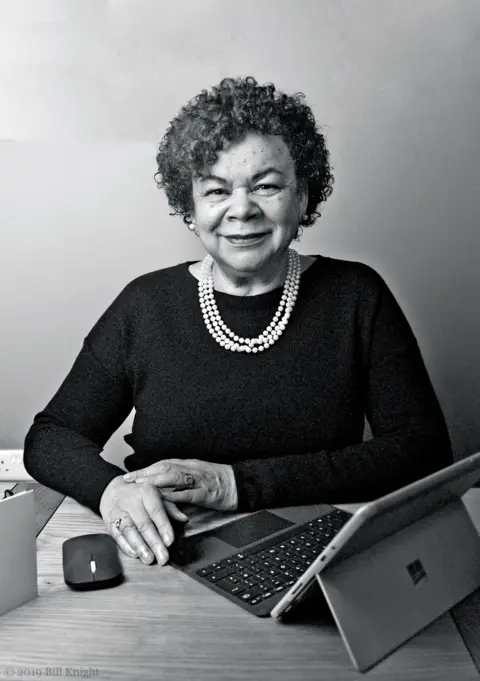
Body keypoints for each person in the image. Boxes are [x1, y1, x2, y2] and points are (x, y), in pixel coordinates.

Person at [24, 76, 453, 569]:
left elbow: (423, 450)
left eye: (266, 186)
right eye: (216, 190)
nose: (242, 210)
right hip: (166, 557)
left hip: (316, 558)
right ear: (190, 209)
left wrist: (234, 484)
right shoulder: (145, 305)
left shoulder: (356, 294)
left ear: (302, 197)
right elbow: (51, 437)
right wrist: (109, 489)